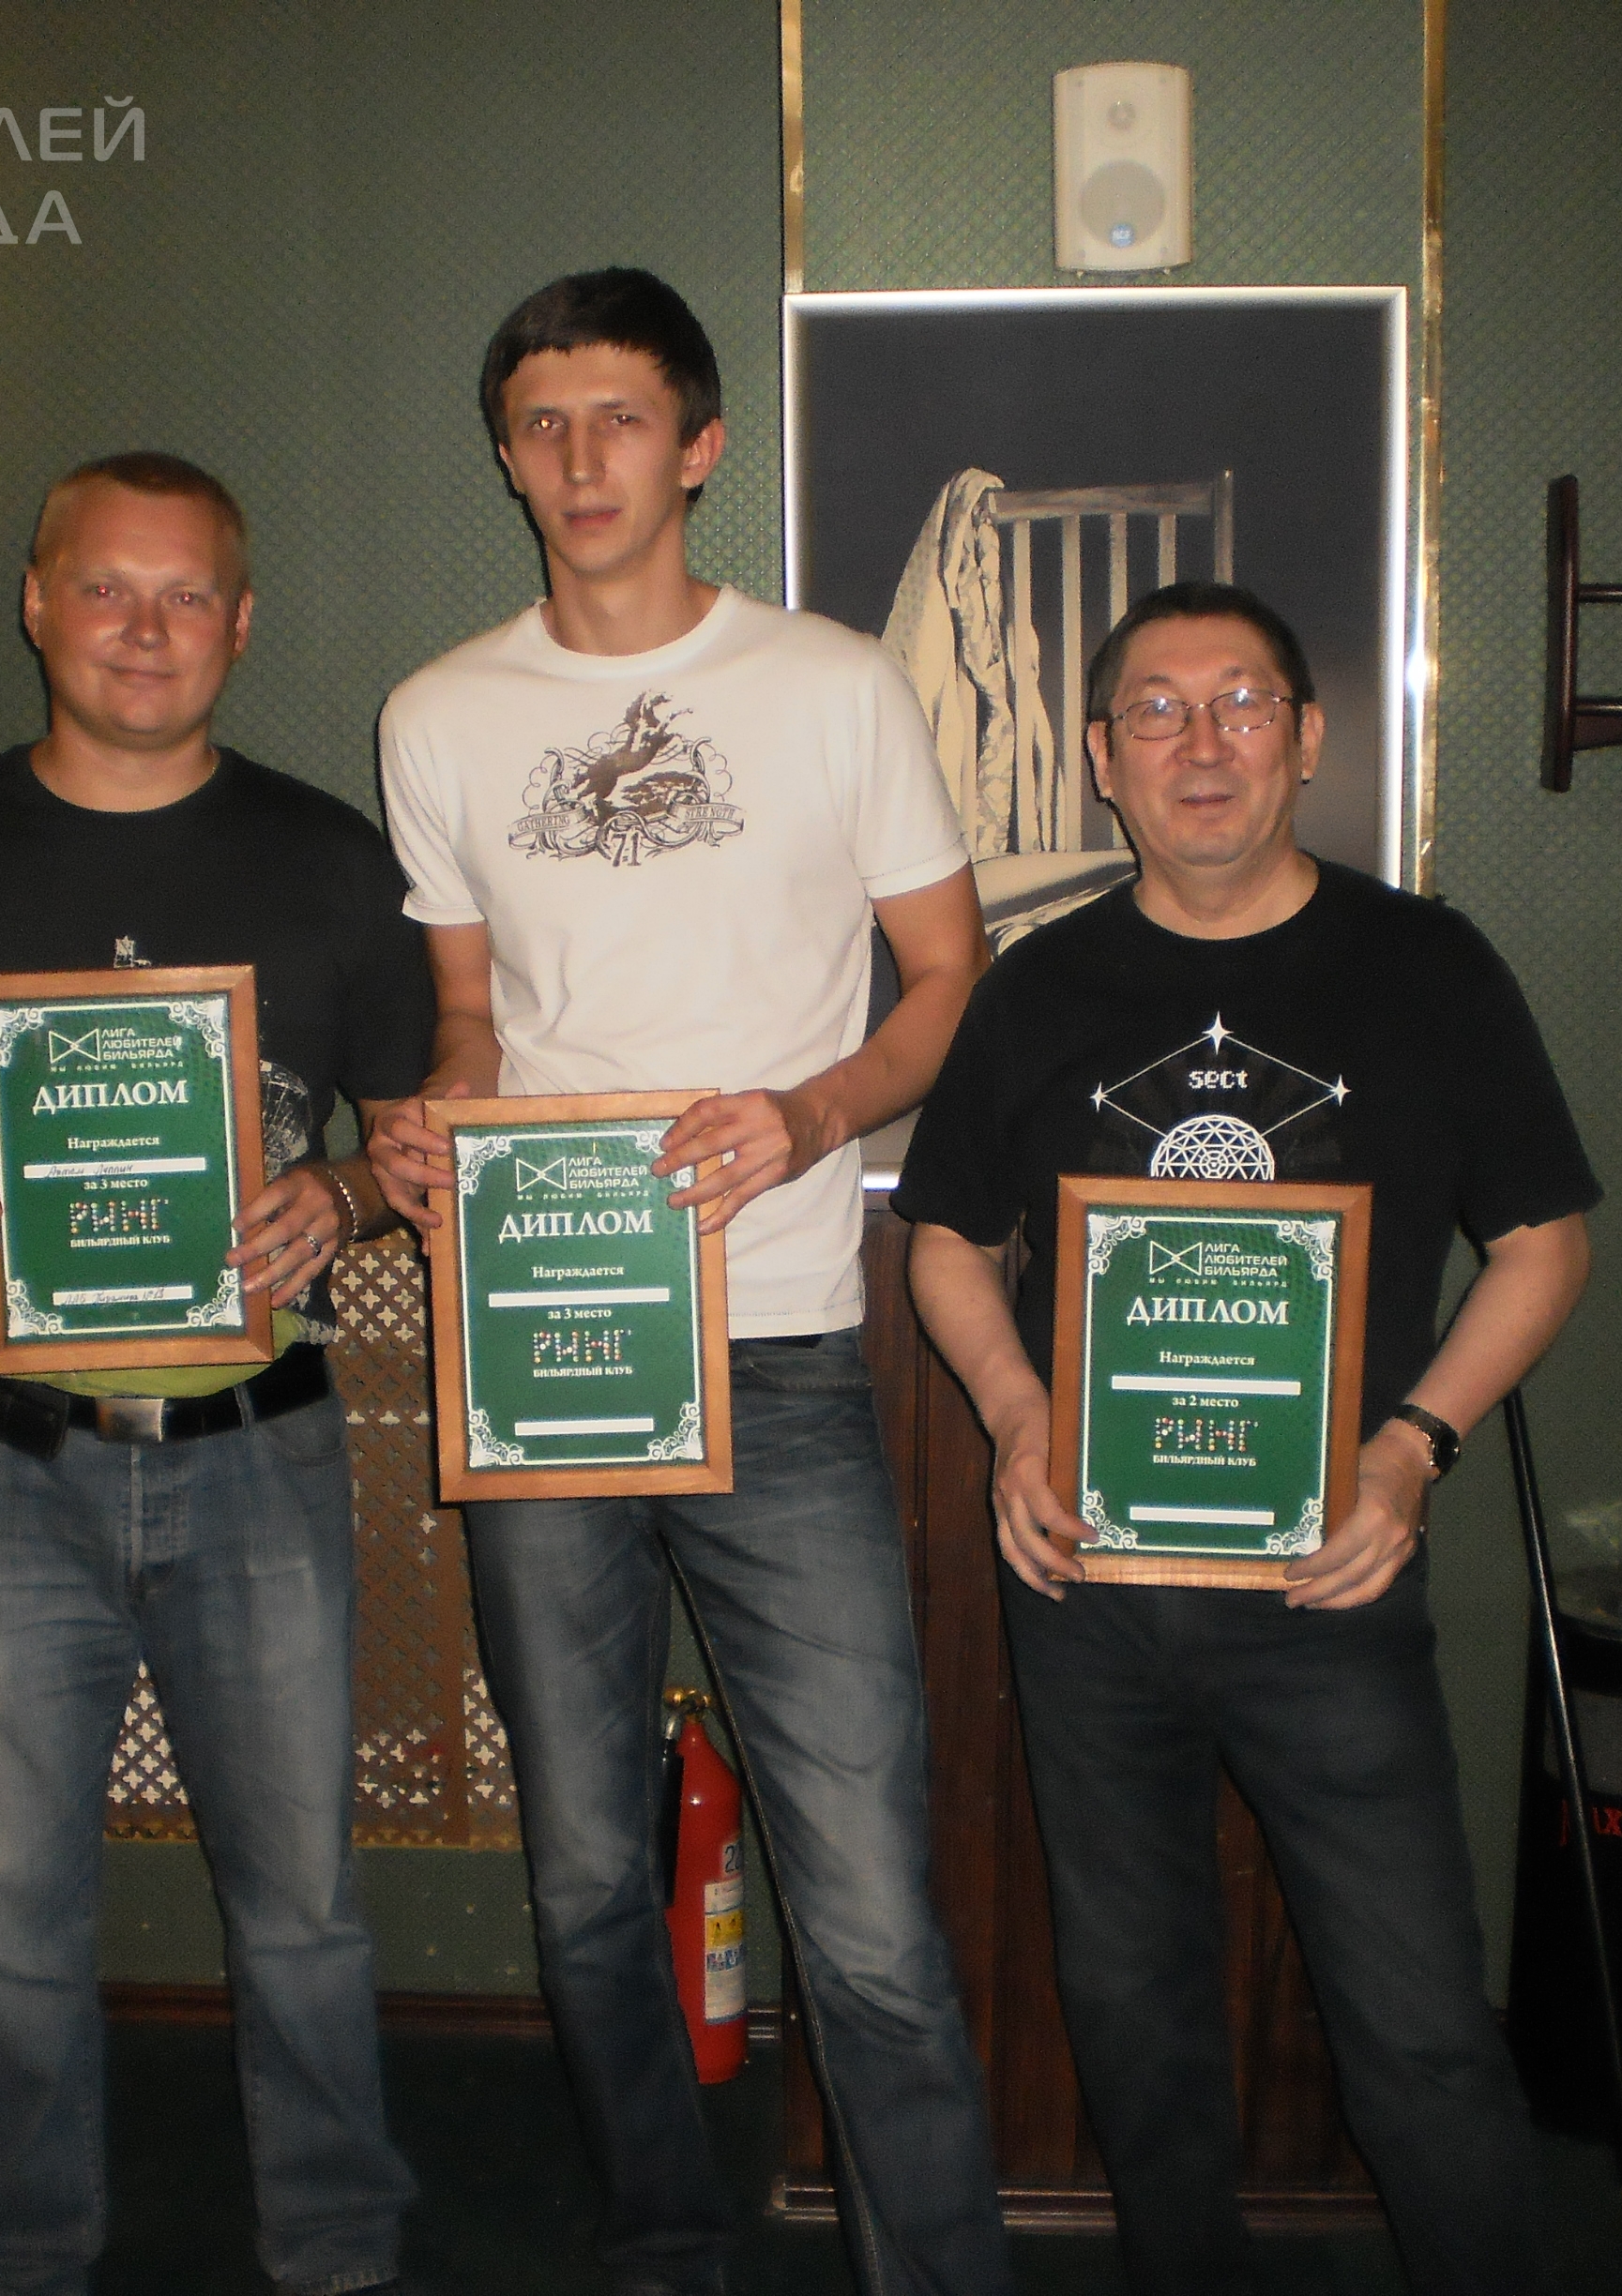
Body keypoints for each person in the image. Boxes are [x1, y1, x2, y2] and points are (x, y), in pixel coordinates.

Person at [369, 269, 1011, 2296]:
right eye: (543, 424)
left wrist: (813, 1115)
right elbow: (470, 1020)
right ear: (506, 456)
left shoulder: (832, 686)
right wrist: (430, 1125)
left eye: (623, 418)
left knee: (870, 1910)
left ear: (700, 446)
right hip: (545, 1350)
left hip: (787, 1353)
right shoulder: (436, 715)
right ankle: (664, 2241)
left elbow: (948, 981)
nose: (582, 460)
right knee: (583, 1882)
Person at [0, 452, 432, 2296]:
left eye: (187, 593)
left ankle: (339, 2252)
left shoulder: (330, 860)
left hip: (261, 1451)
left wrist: (346, 1193)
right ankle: (25, 2257)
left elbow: (427, 1135)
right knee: (3, 1923)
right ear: (37, 602)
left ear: (243, 622)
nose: (146, 629)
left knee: (303, 1907)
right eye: (108, 588)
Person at [895, 581, 1599, 2296]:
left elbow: (1545, 1241)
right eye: (1155, 709)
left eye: (1241, 703)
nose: (1199, 742)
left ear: (1306, 738)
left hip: (1331, 1592)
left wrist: (1410, 1448)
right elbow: (947, 1238)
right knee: (1134, 2016)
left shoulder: (1427, 965)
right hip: (1093, 1593)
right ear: (1101, 758)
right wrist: (1015, 1420)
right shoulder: (1039, 985)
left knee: (1421, 2031)